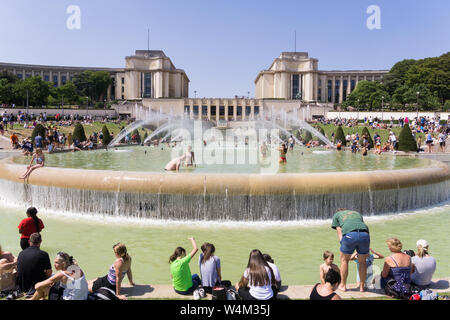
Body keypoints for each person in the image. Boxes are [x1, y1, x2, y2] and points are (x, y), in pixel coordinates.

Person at [331, 208, 370, 292]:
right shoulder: (356, 212)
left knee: (344, 261)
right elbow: (363, 226)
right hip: (365, 234)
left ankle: (343, 285)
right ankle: (362, 287)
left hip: (349, 235)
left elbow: (339, 232)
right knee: (362, 262)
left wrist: (343, 243)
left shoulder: (337, 215)